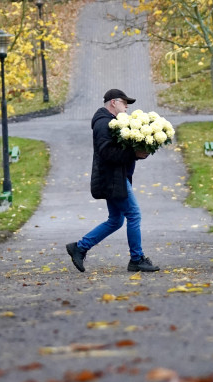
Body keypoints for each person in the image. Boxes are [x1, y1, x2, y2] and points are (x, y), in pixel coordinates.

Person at [66, 89, 160, 273]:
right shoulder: (103, 124)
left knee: (116, 220)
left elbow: (117, 151)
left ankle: (80, 247)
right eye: (124, 103)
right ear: (113, 103)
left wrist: (138, 152)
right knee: (134, 215)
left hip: (115, 178)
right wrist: (133, 153)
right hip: (112, 179)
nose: (126, 107)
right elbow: (107, 152)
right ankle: (136, 259)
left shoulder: (111, 122)